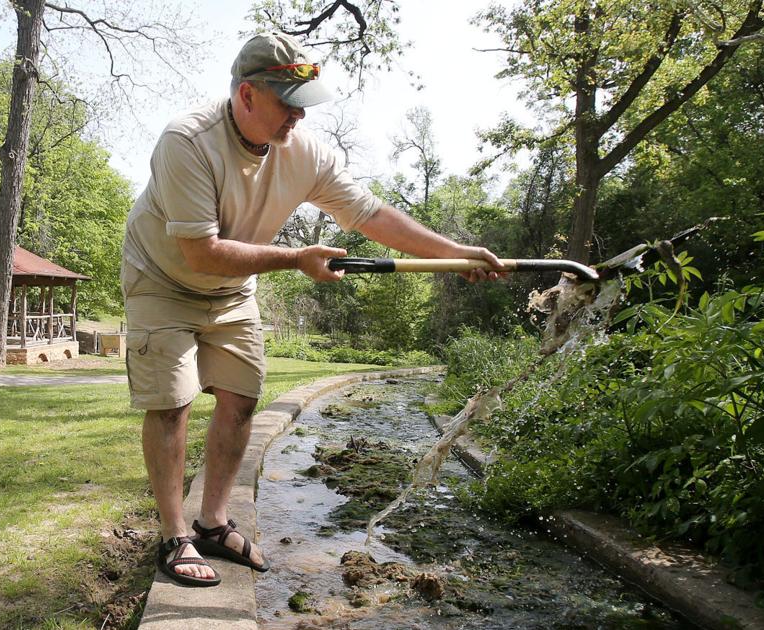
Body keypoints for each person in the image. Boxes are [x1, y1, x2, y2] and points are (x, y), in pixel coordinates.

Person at [120, 32, 504, 588]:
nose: (297, 116)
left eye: (303, 103)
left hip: (232, 291)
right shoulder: (188, 141)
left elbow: (371, 214)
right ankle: (175, 535)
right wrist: (296, 258)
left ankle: (213, 523)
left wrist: (455, 252)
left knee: (243, 397)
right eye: (286, 102)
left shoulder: (305, 152)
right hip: (162, 280)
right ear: (247, 95)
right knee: (172, 402)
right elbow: (200, 250)